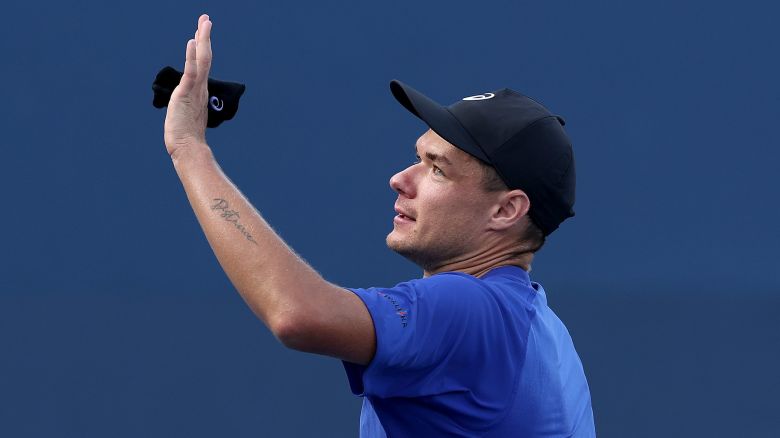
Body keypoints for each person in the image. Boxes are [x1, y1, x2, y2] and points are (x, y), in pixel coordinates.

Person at [164, 14, 596, 437]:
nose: (401, 179)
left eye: (437, 169)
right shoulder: (546, 332)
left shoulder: (469, 309)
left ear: (506, 211)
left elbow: (296, 313)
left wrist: (189, 148)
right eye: (418, 158)